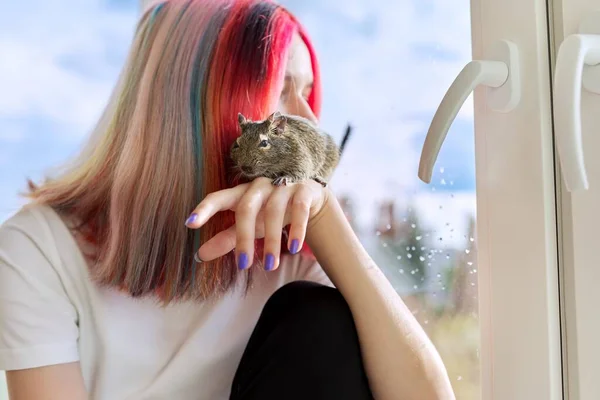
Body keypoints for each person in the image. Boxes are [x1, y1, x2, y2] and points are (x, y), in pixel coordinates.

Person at [0, 0, 455, 399]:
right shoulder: (40, 250)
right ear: (194, 104)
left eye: (309, 92)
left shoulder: (290, 243)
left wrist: (324, 215)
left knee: (324, 320)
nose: (309, 117)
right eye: (281, 87)